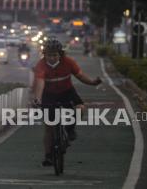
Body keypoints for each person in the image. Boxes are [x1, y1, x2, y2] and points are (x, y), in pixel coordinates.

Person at [33, 37, 101, 166]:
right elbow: (40, 84)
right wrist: (38, 99)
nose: (51, 58)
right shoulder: (40, 65)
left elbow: (80, 76)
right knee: (49, 128)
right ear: (44, 55)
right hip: (49, 95)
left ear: (60, 54)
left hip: (67, 92)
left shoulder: (69, 62)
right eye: (48, 55)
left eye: (54, 55)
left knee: (80, 108)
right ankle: (48, 156)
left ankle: (70, 129)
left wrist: (93, 83)